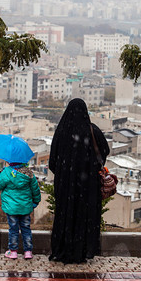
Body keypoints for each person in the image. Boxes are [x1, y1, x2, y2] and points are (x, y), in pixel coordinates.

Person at [49, 98, 110, 264]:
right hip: (87, 186)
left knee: (64, 216)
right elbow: (105, 151)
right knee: (84, 217)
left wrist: (66, 174)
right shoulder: (92, 130)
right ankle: (81, 251)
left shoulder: (61, 132)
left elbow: (52, 162)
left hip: (65, 185)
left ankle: (61, 250)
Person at [0, 161, 41, 259]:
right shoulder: (29, 173)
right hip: (25, 207)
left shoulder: (6, 172)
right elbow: (35, 189)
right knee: (26, 229)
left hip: (11, 208)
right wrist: (36, 201)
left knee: (13, 229)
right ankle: (28, 251)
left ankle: (13, 251)